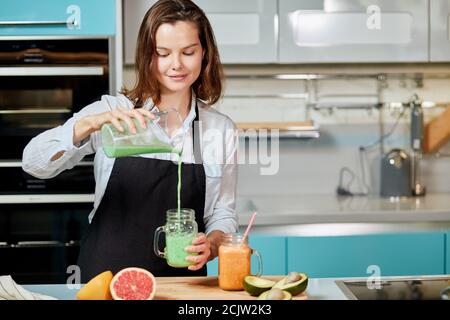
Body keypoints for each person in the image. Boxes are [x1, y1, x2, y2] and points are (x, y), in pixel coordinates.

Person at [22, 0, 238, 282]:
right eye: (163, 53)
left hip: (181, 284)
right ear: (147, 56)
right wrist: (89, 124)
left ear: (204, 53)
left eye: (188, 52)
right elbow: (33, 164)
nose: (176, 64)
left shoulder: (220, 130)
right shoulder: (112, 111)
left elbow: (223, 213)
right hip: (106, 279)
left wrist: (212, 245)